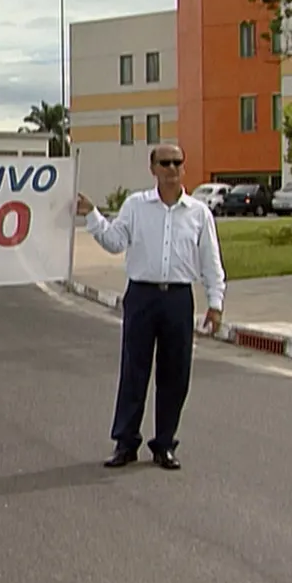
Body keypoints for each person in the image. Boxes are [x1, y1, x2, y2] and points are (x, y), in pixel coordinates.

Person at [76, 144, 226, 471]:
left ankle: (164, 444)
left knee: (175, 374)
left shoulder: (198, 213)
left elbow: (211, 262)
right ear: (152, 167)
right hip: (142, 296)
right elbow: (114, 241)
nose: (172, 169)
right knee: (134, 370)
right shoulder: (135, 206)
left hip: (178, 299)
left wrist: (215, 303)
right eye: (165, 163)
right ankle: (125, 442)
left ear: (183, 168)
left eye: (177, 163)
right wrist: (92, 215)